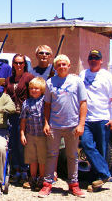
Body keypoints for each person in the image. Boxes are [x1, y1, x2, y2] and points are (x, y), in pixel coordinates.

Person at [38, 54, 87, 198]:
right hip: (54, 125)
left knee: (72, 156)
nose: (61, 67)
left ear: (69, 65)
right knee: (52, 155)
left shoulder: (77, 81)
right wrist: (46, 123)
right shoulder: (50, 82)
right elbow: (47, 105)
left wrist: (81, 124)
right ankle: (47, 185)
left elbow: (83, 103)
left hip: (72, 125)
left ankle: (74, 185)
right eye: (58, 64)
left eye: (64, 64)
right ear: (55, 67)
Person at [79, 49, 112, 191]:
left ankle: (97, 180)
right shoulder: (83, 74)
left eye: (96, 58)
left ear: (101, 60)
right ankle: (105, 173)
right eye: (91, 58)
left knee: (102, 150)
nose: (93, 60)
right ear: (88, 60)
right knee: (86, 144)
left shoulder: (107, 76)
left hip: (102, 119)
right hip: (86, 119)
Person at [5, 54, 34, 183]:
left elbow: (33, 94)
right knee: (13, 143)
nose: (18, 65)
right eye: (16, 63)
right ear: (13, 64)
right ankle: (16, 169)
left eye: (21, 63)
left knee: (23, 144)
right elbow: (6, 95)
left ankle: (24, 169)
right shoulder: (9, 79)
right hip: (12, 114)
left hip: (24, 116)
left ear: (24, 64)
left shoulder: (28, 77)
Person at [20, 77, 47, 191]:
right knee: (32, 158)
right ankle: (33, 178)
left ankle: (42, 178)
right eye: (31, 88)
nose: (34, 91)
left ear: (41, 89)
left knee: (42, 158)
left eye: (36, 88)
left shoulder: (45, 101)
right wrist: (22, 133)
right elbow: (23, 120)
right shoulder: (26, 102)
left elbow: (48, 116)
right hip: (30, 134)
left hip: (42, 135)